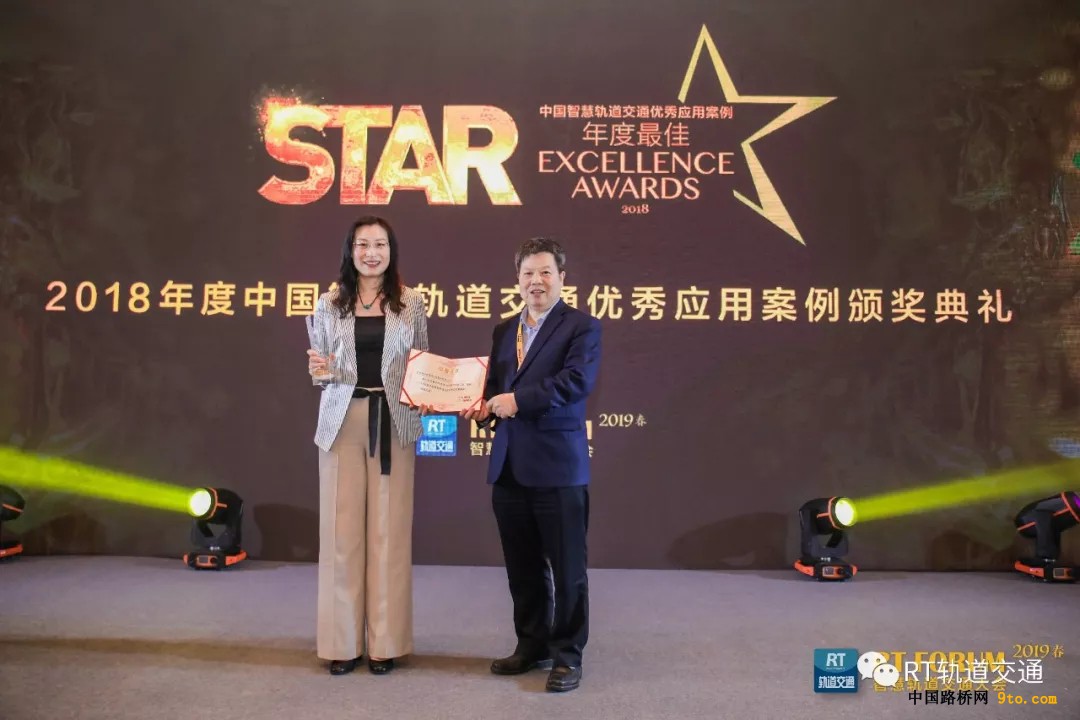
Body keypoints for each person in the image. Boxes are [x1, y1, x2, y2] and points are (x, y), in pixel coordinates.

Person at [462, 237, 601, 693]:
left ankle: (567, 656)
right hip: (509, 466)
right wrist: (480, 407)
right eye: (528, 273)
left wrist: (516, 401)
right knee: (522, 567)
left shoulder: (582, 327)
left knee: (568, 569)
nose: (536, 281)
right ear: (517, 279)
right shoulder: (505, 330)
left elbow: (576, 382)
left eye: (545, 272)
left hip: (559, 467)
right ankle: (532, 644)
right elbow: (493, 388)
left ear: (562, 277)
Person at [306, 215, 430, 676]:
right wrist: (317, 370)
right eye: (363, 244)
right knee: (341, 536)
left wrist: (432, 390)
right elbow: (321, 371)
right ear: (350, 251)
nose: (371, 253)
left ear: (391, 251)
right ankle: (341, 643)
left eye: (380, 244)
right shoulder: (329, 302)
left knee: (388, 535)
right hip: (342, 420)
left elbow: (421, 362)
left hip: (394, 421)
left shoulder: (411, 302)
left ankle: (385, 644)